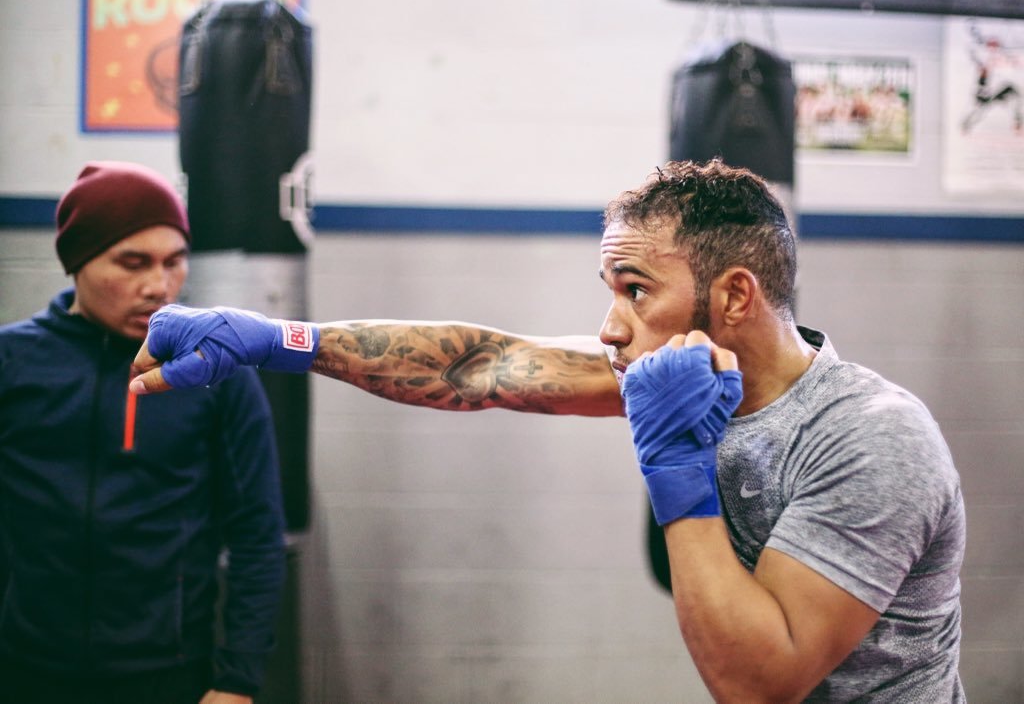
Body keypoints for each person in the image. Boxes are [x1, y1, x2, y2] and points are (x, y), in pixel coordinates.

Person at [131, 158, 965, 702]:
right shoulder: (681, 374)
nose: (609, 326)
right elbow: (479, 367)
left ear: (736, 297)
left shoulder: (870, 439)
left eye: (635, 290)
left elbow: (758, 680)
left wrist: (676, 464)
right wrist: (278, 340)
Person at [0, 161, 286, 704]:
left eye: (174, 262)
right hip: (25, 669)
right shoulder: (12, 361)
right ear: (78, 261)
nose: (158, 286)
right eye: (132, 263)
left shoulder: (217, 372)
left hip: (169, 677)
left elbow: (256, 534)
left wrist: (237, 681)